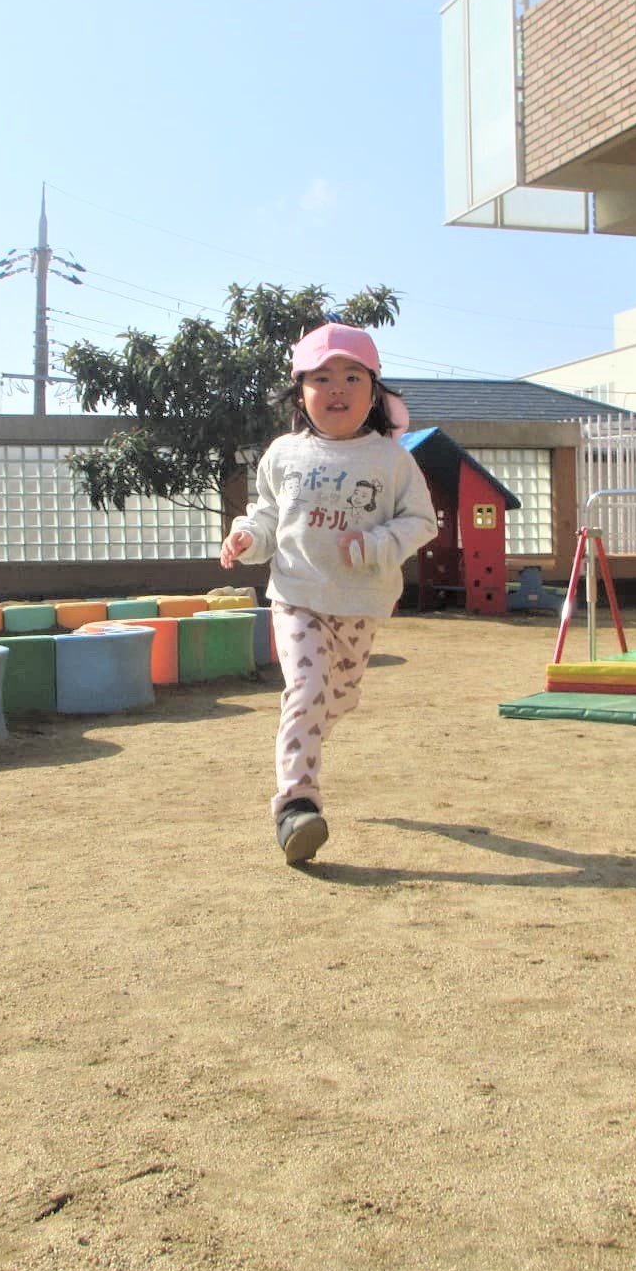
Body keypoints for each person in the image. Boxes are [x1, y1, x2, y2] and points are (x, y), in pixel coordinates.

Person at [221, 323, 438, 865]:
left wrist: (378, 542)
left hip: (361, 602)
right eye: (322, 377)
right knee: (308, 689)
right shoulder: (282, 454)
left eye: (352, 377)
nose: (337, 387)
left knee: (338, 696)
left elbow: (421, 521)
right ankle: (296, 807)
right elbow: (267, 515)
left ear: (375, 392)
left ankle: (315, 720)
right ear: (300, 392)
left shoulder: (392, 460)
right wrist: (247, 538)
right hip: (296, 594)